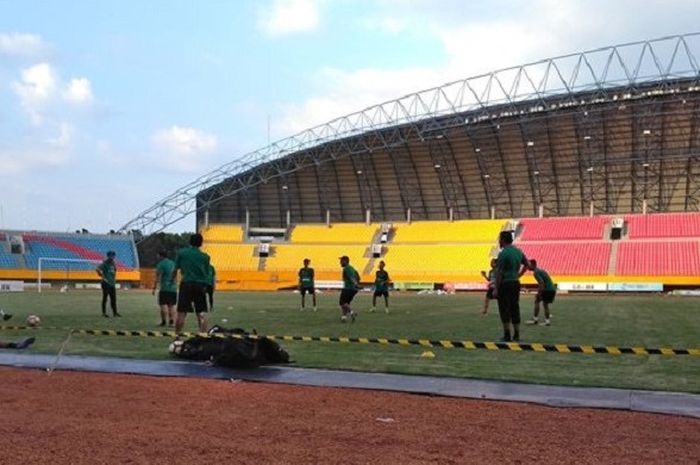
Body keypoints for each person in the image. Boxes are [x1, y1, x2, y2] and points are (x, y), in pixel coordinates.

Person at [492, 231, 529, 342]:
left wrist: (496, 288)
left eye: (499, 239)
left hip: (505, 284)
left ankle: (507, 335)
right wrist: (519, 275)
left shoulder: (503, 254)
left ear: (503, 240)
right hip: (515, 283)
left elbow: (500, 273)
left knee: (504, 309)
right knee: (514, 307)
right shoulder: (518, 252)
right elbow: (527, 264)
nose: (499, 241)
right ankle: (517, 335)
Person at [172, 234, 211, 334]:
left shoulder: (181, 253)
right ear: (201, 243)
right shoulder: (205, 257)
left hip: (186, 284)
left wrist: (171, 279)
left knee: (181, 312)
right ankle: (203, 336)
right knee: (201, 312)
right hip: (200, 285)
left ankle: (177, 336)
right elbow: (206, 274)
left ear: (190, 242)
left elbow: (175, 269)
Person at [526, 259, 557, 326]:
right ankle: (544, 321)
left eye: (529, 265)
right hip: (551, 289)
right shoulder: (540, 270)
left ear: (533, 265)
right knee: (543, 304)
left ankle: (539, 320)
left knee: (540, 303)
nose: (527, 266)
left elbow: (541, 283)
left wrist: (539, 293)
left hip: (547, 289)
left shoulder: (536, 272)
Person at [152, 250, 177, 327]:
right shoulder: (173, 263)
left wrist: (154, 288)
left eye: (158, 255)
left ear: (161, 256)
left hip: (165, 288)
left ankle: (163, 321)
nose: (157, 257)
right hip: (173, 288)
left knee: (163, 305)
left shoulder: (161, 264)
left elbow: (158, 277)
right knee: (171, 305)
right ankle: (172, 321)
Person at [96, 251, 121, 317]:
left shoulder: (113, 263)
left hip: (112, 283)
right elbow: (97, 269)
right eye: (111, 256)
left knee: (113, 299)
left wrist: (113, 278)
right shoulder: (105, 263)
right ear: (108, 256)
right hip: (106, 283)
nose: (113, 257)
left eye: (113, 256)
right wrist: (102, 276)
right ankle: (104, 313)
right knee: (105, 298)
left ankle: (115, 313)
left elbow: (114, 271)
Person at [339, 255, 361, 323]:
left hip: (348, 288)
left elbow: (351, 278)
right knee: (346, 303)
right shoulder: (352, 268)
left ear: (345, 261)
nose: (340, 262)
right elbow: (358, 277)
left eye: (341, 261)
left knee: (342, 303)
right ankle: (344, 317)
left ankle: (352, 312)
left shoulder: (346, 268)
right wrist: (357, 284)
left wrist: (355, 284)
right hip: (354, 289)